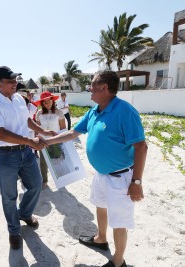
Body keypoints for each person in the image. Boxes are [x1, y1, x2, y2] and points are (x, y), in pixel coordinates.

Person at [44, 71, 147, 267]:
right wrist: (47, 142)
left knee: (119, 221)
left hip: (120, 178)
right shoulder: (94, 111)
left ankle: (118, 261)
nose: (89, 88)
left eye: (92, 85)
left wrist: (137, 181)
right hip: (101, 175)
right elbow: (74, 132)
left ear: (104, 88)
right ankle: (101, 238)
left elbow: (141, 147)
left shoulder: (125, 111)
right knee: (100, 205)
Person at [0, 66, 54, 250]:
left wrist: (42, 131)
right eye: (10, 81)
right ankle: (14, 231)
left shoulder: (19, 99)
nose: (15, 83)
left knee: (36, 185)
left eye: (15, 80)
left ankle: (24, 213)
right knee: (9, 196)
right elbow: (0, 134)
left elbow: (27, 120)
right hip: (5, 155)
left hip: (26, 152)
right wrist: (30, 140)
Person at [33, 91, 66, 189]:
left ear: (52, 100)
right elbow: (37, 127)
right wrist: (36, 138)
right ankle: (44, 180)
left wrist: (62, 141)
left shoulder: (59, 112)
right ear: (42, 103)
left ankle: (60, 178)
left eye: (49, 101)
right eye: (45, 102)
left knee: (57, 160)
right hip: (43, 141)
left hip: (55, 140)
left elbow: (63, 128)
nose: (47, 103)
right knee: (43, 162)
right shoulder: (39, 113)